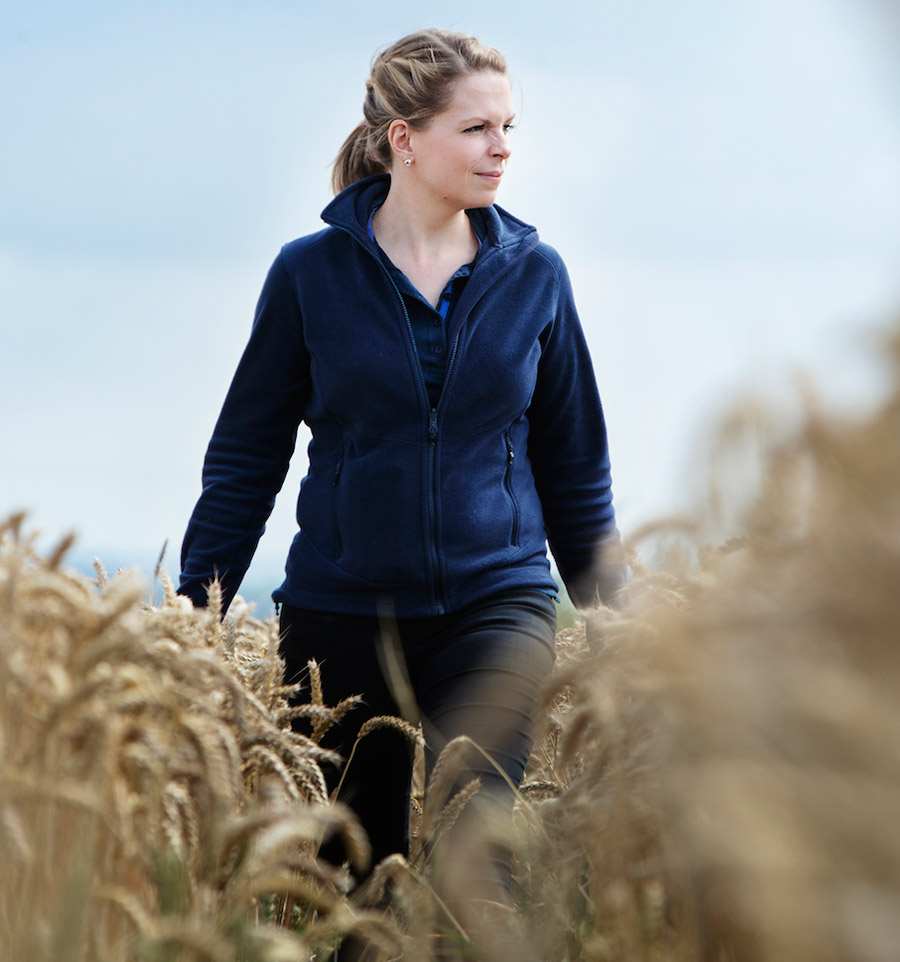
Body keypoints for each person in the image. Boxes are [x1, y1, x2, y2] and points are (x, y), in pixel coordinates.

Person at [178, 26, 624, 957]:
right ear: (404, 140)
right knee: (357, 878)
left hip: (498, 598)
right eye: (476, 129)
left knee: (478, 851)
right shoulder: (309, 275)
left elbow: (573, 458)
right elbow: (247, 454)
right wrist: (196, 611)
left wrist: (608, 612)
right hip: (340, 610)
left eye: (508, 127)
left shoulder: (535, 276)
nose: (502, 147)